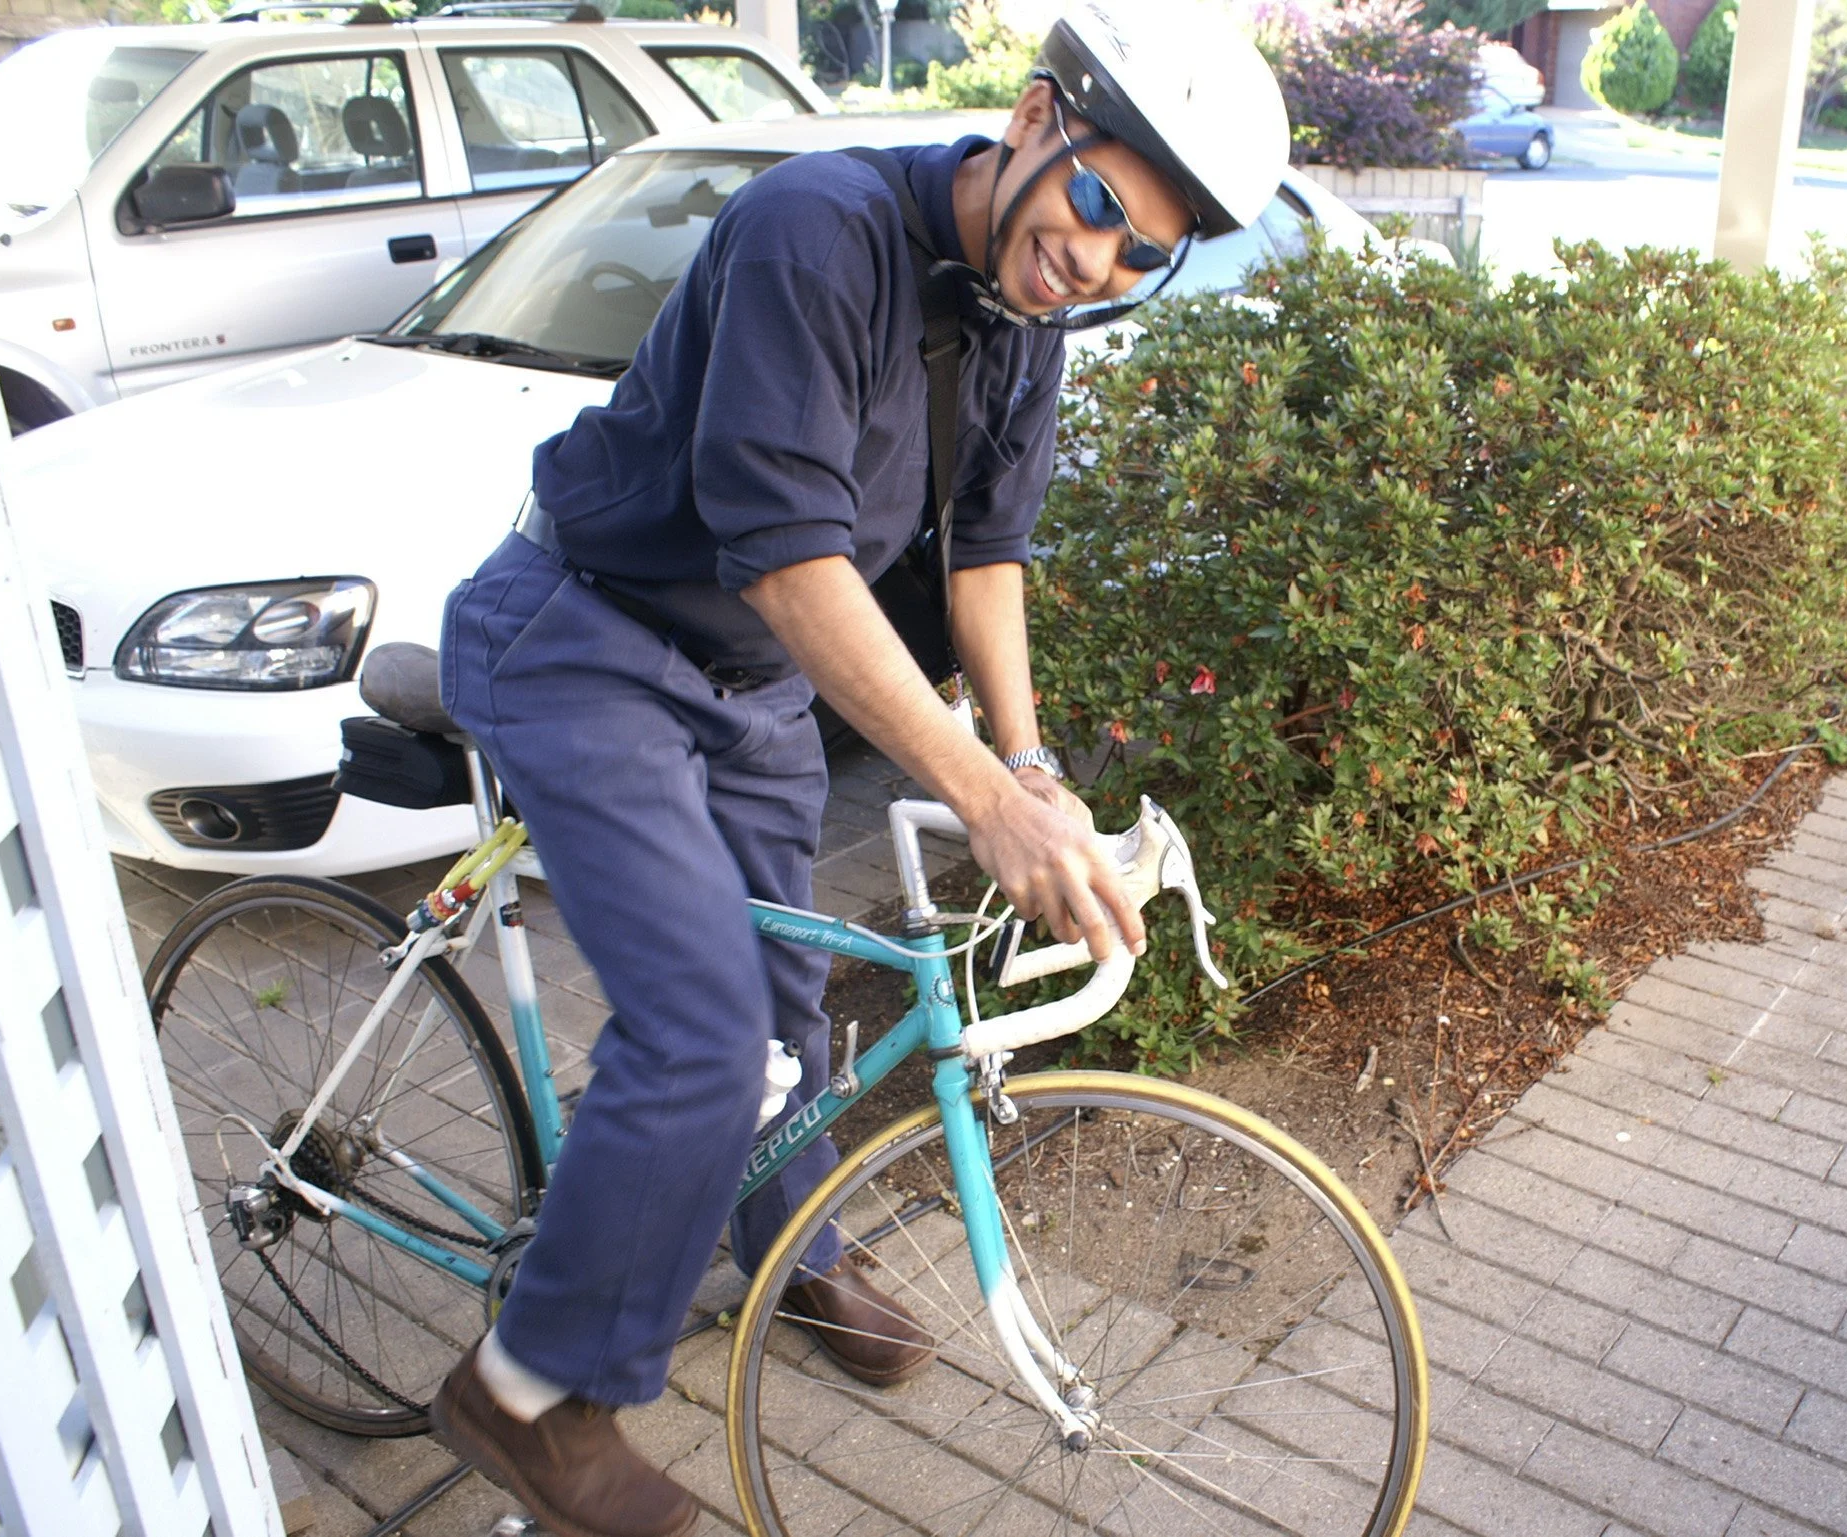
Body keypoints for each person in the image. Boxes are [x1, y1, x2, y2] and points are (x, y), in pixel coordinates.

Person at [424, 3, 1289, 1533]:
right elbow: (789, 560)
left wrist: (1030, 763)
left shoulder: (1026, 321)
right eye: (1098, 204)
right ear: (1035, 122)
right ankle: (528, 1391)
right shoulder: (814, 232)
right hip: (583, 635)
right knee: (698, 1043)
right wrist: (977, 799)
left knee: (785, 1014)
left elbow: (988, 561)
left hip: (744, 684)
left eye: (1142, 253)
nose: (1098, 261)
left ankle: (793, 1249)